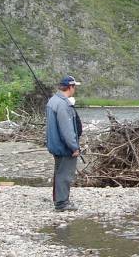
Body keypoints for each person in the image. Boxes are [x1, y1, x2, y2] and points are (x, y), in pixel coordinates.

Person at [46, 75, 83, 211]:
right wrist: (74, 147)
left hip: (55, 145)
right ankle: (62, 203)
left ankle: (59, 200)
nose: (75, 90)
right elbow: (67, 130)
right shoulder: (62, 104)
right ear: (70, 87)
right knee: (65, 175)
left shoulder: (53, 101)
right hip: (64, 147)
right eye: (74, 87)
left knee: (59, 173)